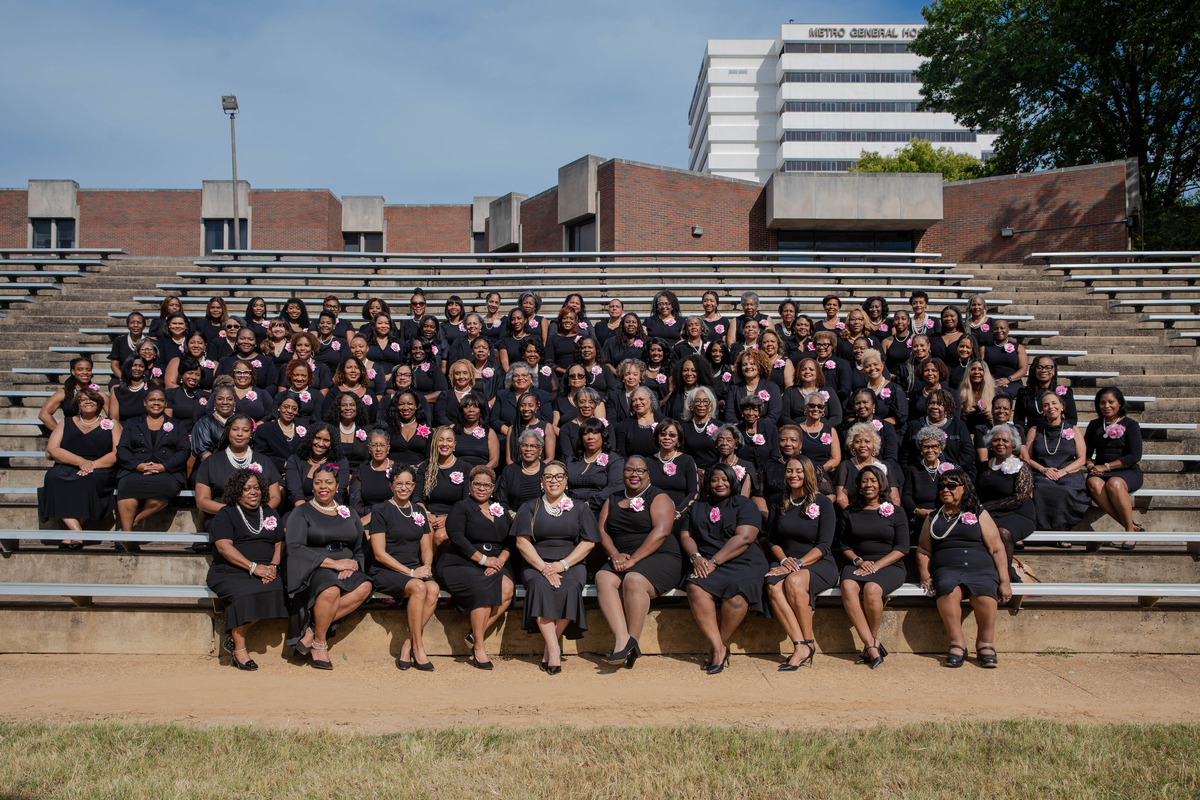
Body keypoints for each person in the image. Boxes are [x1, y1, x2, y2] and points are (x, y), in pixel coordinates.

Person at [916, 469, 1012, 668]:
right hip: (947, 569)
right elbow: (924, 550)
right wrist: (925, 574)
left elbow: (996, 548)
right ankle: (956, 643)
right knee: (948, 591)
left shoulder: (978, 512)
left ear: (964, 488)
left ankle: (985, 643)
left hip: (980, 568)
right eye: (941, 486)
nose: (945, 489)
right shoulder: (933, 517)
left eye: (951, 485)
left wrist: (1005, 581)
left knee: (985, 595)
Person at [513, 462, 600, 674]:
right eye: (549, 477)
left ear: (566, 479)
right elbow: (522, 542)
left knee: (569, 588)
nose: (554, 481)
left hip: (571, 562)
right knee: (541, 588)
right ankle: (553, 649)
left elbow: (588, 542)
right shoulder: (529, 506)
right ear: (541, 480)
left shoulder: (579, 507)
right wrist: (544, 568)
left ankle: (549, 648)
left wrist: (562, 565)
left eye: (559, 476)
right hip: (536, 562)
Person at [680, 463, 768, 675]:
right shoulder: (697, 505)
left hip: (743, 561)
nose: (720, 483)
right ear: (708, 484)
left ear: (733, 481)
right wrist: (696, 557)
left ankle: (717, 646)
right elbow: (686, 535)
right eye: (714, 480)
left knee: (737, 596)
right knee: (695, 586)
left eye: (724, 479)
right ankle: (718, 646)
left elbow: (745, 537)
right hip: (706, 561)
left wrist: (715, 562)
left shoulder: (744, 504)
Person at [285, 463, 374, 670]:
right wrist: (334, 564)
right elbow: (295, 547)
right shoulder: (302, 511)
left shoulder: (348, 512)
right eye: (317, 482)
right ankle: (319, 643)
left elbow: (360, 548)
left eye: (328, 482)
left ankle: (312, 630)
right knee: (331, 589)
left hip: (346, 565)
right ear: (312, 486)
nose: (322, 486)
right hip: (315, 565)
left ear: (337, 486)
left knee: (365, 586)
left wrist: (352, 566)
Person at [594, 455, 680, 667]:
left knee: (633, 579)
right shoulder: (612, 498)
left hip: (659, 556)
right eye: (629, 470)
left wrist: (634, 560)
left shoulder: (658, 497)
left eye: (640, 470)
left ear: (648, 474)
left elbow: (661, 532)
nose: (634, 474)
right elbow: (601, 530)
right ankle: (623, 640)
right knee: (603, 577)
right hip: (622, 556)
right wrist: (614, 554)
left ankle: (632, 641)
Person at [205, 468, 287, 671]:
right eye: (247, 488)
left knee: (277, 590)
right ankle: (240, 649)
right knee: (245, 595)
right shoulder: (226, 513)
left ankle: (233, 634)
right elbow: (224, 547)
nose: (253, 492)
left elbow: (280, 544)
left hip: (266, 569)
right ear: (237, 491)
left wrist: (273, 567)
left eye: (256, 487)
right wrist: (253, 568)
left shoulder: (269, 512)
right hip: (230, 570)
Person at [764, 456, 837, 671]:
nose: (793, 475)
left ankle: (809, 641)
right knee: (772, 584)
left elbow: (824, 545)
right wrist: (785, 560)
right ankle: (799, 645)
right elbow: (772, 540)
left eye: (799, 471)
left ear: (808, 474)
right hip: (787, 562)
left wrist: (795, 564)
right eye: (789, 471)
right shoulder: (778, 501)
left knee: (794, 582)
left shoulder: (822, 502)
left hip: (818, 563)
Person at [438, 465, 515, 670]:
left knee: (508, 588)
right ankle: (479, 647)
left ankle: (474, 635)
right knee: (483, 586)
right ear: (470, 485)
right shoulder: (461, 507)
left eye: (486, 485)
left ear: (493, 488)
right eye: (477, 484)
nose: (482, 488)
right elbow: (457, 538)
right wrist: (484, 560)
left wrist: (499, 561)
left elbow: (510, 541)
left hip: (495, 562)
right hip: (461, 561)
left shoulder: (499, 510)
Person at [367, 466, 440, 671]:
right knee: (418, 587)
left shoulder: (418, 511)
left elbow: (426, 548)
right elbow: (379, 553)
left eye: (408, 483)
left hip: (414, 569)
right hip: (385, 569)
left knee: (433, 588)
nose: (403, 487)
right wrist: (410, 573)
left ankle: (407, 643)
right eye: (399, 483)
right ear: (391, 485)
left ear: (414, 486)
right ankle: (418, 647)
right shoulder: (381, 510)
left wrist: (426, 566)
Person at [837, 465, 909, 669]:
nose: (868, 484)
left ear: (881, 484)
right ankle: (871, 644)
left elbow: (902, 548)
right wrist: (859, 561)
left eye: (873, 480)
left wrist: (876, 566)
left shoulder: (896, 511)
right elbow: (844, 545)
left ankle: (871, 642)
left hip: (889, 564)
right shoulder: (850, 511)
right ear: (858, 486)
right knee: (849, 585)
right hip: (859, 562)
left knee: (871, 589)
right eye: (864, 481)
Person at [38, 387, 119, 546]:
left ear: (100, 404)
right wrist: (80, 462)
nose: (88, 402)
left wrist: (93, 465)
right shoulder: (66, 422)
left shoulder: (111, 424)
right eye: (83, 399)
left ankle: (73, 533)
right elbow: (53, 449)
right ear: (78, 404)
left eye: (93, 399)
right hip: (69, 463)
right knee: (53, 478)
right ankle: (77, 532)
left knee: (90, 480)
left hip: (100, 466)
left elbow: (117, 453)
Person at [115, 388, 190, 535]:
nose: (156, 403)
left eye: (161, 400)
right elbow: (122, 448)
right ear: (145, 402)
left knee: (167, 486)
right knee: (126, 485)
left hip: (167, 471)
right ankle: (127, 535)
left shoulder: (178, 424)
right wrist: (138, 466)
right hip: (136, 469)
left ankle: (134, 521)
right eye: (152, 400)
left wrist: (164, 467)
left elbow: (184, 450)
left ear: (165, 403)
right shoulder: (132, 424)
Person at [193, 414, 284, 527]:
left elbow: (275, 496)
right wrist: (234, 511)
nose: (240, 434)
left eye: (245, 430)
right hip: (223, 516)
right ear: (227, 432)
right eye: (235, 429)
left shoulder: (264, 461)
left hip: (257, 516)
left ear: (251, 433)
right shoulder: (211, 462)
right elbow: (202, 501)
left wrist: (256, 511)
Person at [1084, 387, 1144, 549]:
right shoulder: (1095, 425)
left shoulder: (1130, 425)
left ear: (1119, 403)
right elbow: (1086, 453)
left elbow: (1135, 456)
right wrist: (1090, 465)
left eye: (1111, 402)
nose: (1106, 406)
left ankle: (1129, 532)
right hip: (1101, 472)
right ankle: (1131, 526)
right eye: (1102, 403)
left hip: (1127, 471)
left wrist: (1106, 467)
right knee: (1093, 483)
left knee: (1115, 484)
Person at [1025, 391, 1089, 537]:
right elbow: (1027, 457)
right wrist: (1043, 470)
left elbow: (1081, 459)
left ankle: (1062, 530)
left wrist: (1063, 471)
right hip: (1042, 472)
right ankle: (1042, 528)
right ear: (1042, 409)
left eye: (1054, 403)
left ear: (1061, 406)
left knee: (1066, 490)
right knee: (1041, 488)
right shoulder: (1035, 430)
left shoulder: (1073, 429)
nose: (1050, 407)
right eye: (1046, 405)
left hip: (1068, 472)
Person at [976, 424, 1036, 558]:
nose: (1000, 443)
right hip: (988, 515)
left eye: (1005, 440)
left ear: (1013, 444)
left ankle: (1005, 575)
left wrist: (987, 507)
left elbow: (1020, 497)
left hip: (1018, 514)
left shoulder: (1021, 466)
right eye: (996, 440)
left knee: (1002, 533)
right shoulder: (983, 467)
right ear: (990, 443)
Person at [415, 426, 469, 544]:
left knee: (441, 536)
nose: (444, 444)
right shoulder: (425, 466)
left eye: (449, 440)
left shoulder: (465, 468)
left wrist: (448, 518)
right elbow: (417, 497)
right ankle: (427, 563)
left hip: (453, 515)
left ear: (454, 444)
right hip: (429, 516)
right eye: (440, 439)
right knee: (426, 533)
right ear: (434, 442)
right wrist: (426, 514)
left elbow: (466, 501)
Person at [565, 417, 624, 513]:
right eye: (585, 433)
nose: (590, 437)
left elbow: (615, 487)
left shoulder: (613, 459)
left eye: (595, 432)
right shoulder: (572, 459)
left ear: (603, 435)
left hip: (599, 510)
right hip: (571, 509)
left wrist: (589, 503)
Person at [283, 423, 350, 508]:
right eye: (317, 438)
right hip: (301, 509)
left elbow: (338, 493)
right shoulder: (295, 460)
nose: (321, 444)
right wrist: (307, 515)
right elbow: (295, 494)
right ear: (310, 438)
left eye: (326, 440)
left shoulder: (340, 461)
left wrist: (321, 514)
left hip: (330, 508)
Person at [901, 426, 954, 532]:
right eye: (926, 447)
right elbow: (906, 496)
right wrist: (917, 511)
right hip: (920, 516)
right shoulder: (912, 470)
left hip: (945, 514)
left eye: (934, 446)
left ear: (941, 448)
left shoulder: (949, 470)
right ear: (921, 449)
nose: (930, 450)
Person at [38, 356, 106, 433]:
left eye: (88, 370)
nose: (85, 372)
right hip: (71, 433)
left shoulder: (99, 394)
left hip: (94, 433)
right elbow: (44, 415)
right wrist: (61, 433)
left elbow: (113, 416)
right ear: (73, 372)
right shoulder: (64, 393)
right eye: (80, 369)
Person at [795, 391, 840, 496]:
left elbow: (836, 458)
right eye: (812, 406)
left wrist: (819, 471)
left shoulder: (831, 430)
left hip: (825, 474)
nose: (816, 409)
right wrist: (807, 473)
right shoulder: (796, 430)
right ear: (805, 408)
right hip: (802, 474)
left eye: (820, 406)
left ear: (823, 409)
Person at [350, 429, 396, 526]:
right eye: (374, 445)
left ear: (388, 448)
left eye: (382, 445)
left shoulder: (397, 470)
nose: (378, 449)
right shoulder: (360, 472)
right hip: (366, 520)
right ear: (369, 448)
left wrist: (375, 515)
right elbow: (356, 505)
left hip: (393, 517)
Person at [496, 428, 547, 509]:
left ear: (540, 450)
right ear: (520, 449)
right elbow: (502, 500)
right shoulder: (509, 470)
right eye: (524, 445)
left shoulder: (547, 470)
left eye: (533, 446)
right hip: (515, 517)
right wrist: (511, 514)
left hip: (541, 518)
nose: (528, 449)